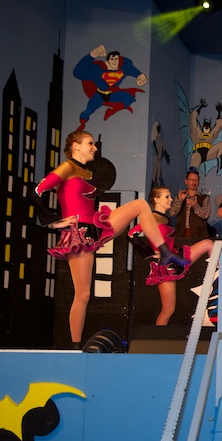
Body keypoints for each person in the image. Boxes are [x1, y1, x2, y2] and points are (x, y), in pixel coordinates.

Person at [33, 130, 189, 348]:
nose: (94, 148)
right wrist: (53, 221)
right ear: (76, 146)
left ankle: (164, 252)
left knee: (140, 205)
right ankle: (75, 346)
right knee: (83, 295)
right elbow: (38, 190)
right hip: (79, 235)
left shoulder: (87, 171)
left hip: (97, 226)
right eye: (90, 144)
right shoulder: (66, 167)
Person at [130, 186, 214, 326]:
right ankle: (156, 338)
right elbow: (131, 234)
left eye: (170, 196)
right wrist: (150, 253)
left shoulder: (165, 218)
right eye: (167, 197)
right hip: (165, 265)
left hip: (176, 255)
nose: (170, 199)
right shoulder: (151, 218)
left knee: (208, 243)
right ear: (157, 199)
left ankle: (218, 279)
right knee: (168, 309)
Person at [169, 168, 212, 239]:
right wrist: (179, 201)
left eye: (196, 180)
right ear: (186, 181)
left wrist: (195, 206)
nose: (194, 182)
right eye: (191, 180)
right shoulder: (181, 196)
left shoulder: (204, 198)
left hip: (199, 235)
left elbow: (206, 215)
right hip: (181, 234)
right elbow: (172, 213)